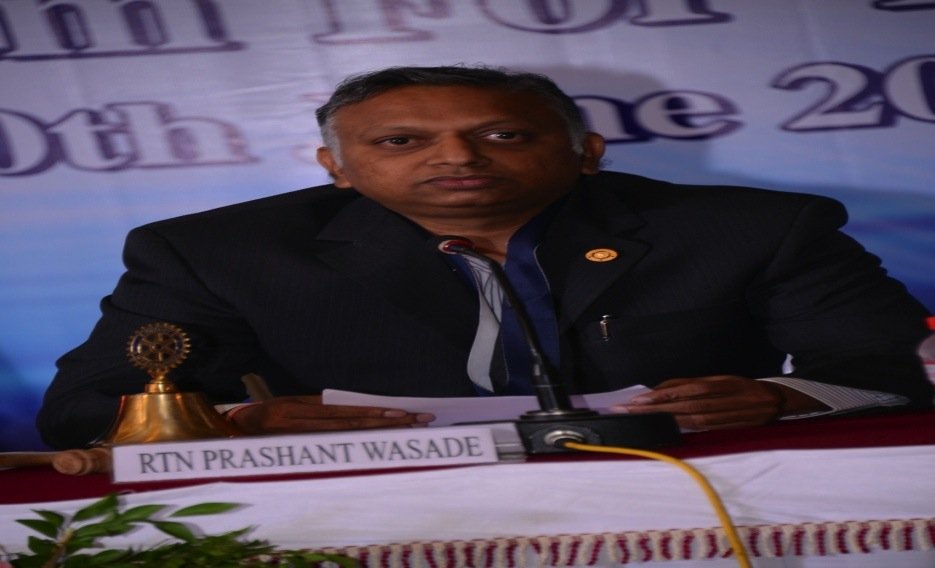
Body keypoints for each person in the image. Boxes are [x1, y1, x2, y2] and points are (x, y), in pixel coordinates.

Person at [37, 65, 933, 450]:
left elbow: (892, 367)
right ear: (335, 168)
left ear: (586, 151)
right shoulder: (215, 252)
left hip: (699, 490)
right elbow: (83, 411)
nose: (458, 157)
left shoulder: (754, 227)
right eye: (400, 141)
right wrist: (240, 422)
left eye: (503, 134)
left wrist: (780, 397)